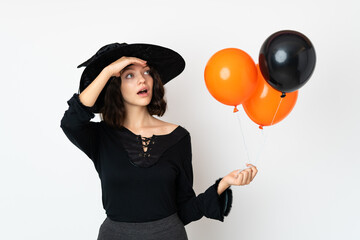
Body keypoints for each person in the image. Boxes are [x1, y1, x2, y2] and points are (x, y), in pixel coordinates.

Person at [60, 42, 258, 240]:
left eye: (146, 73)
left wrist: (223, 184)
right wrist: (107, 71)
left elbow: (185, 211)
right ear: (115, 85)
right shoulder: (101, 136)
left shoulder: (179, 137)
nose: (142, 80)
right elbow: (70, 122)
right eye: (129, 75)